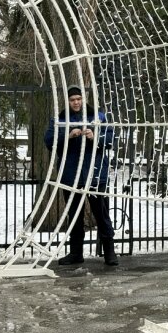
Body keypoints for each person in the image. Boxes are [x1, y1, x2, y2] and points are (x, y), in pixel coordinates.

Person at [44, 86, 118, 266]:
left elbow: (111, 140)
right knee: (74, 215)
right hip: (71, 175)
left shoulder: (98, 117)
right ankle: (76, 252)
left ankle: (109, 251)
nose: (76, 102)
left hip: (95, 175)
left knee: (101, 213)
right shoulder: (60, 119)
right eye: (72, 100)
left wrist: (95, 137)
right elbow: (49, 141)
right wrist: (68, 135)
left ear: (84, 99)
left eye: (78, 99)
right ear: (67, 101)